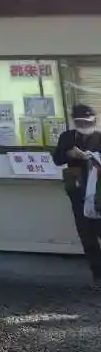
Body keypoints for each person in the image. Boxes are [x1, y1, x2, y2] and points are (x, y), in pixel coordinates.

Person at [52, 103, 101, 286]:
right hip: (78, 191)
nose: (85, 125)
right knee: (86, 234)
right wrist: (68, 154)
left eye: (88, 122)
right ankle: (97, 273)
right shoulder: (67, 137)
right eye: (81, 122)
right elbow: (57, 159)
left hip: (98, 191)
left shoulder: (99, 137)